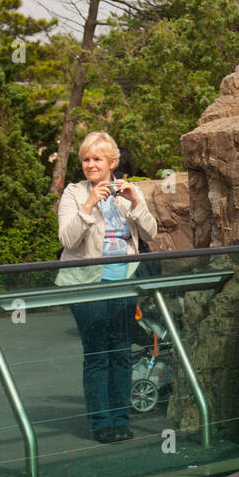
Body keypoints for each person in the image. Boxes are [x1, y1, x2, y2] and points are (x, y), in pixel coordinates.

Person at [57, 131, 157, 443]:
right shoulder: (74, 194)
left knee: (122, 353)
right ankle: (101, 423)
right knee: (98, 353)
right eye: (86, 159)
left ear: (112, 162)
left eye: (97, 159)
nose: (90, 164)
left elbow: (150, 233)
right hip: (87, 284)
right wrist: (88, 205)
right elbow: (67, 239)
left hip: (123, 283)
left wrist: (137, 202)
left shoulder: (129, 191)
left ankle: (120, 420)